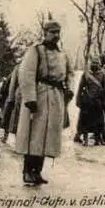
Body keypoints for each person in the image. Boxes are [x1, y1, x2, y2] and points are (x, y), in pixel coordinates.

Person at [15, 19, 73, 185]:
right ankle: (27, 171)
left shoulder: (63, 54)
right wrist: (30, 98)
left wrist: (69, 88)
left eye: (57, 32)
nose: (56, 35)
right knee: (35, 135)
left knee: (48, 137)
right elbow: (26, 74)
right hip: (39, 96)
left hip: (56, 97)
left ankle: (38, 171)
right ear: (45, 33)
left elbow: (70, 74)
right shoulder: (36, 51)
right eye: (52, 32)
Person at [76, 57, 105, 146]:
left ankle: (97, 139)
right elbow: (80, 88)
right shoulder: (86, 74)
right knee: (85, 121)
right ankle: (85, 139)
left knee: (98, 121)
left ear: (99, 65)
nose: (94, 65)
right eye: (93, 63)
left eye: (96, 64)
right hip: (87, 101)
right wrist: (78, 100)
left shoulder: (102, 75)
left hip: (97, 101)